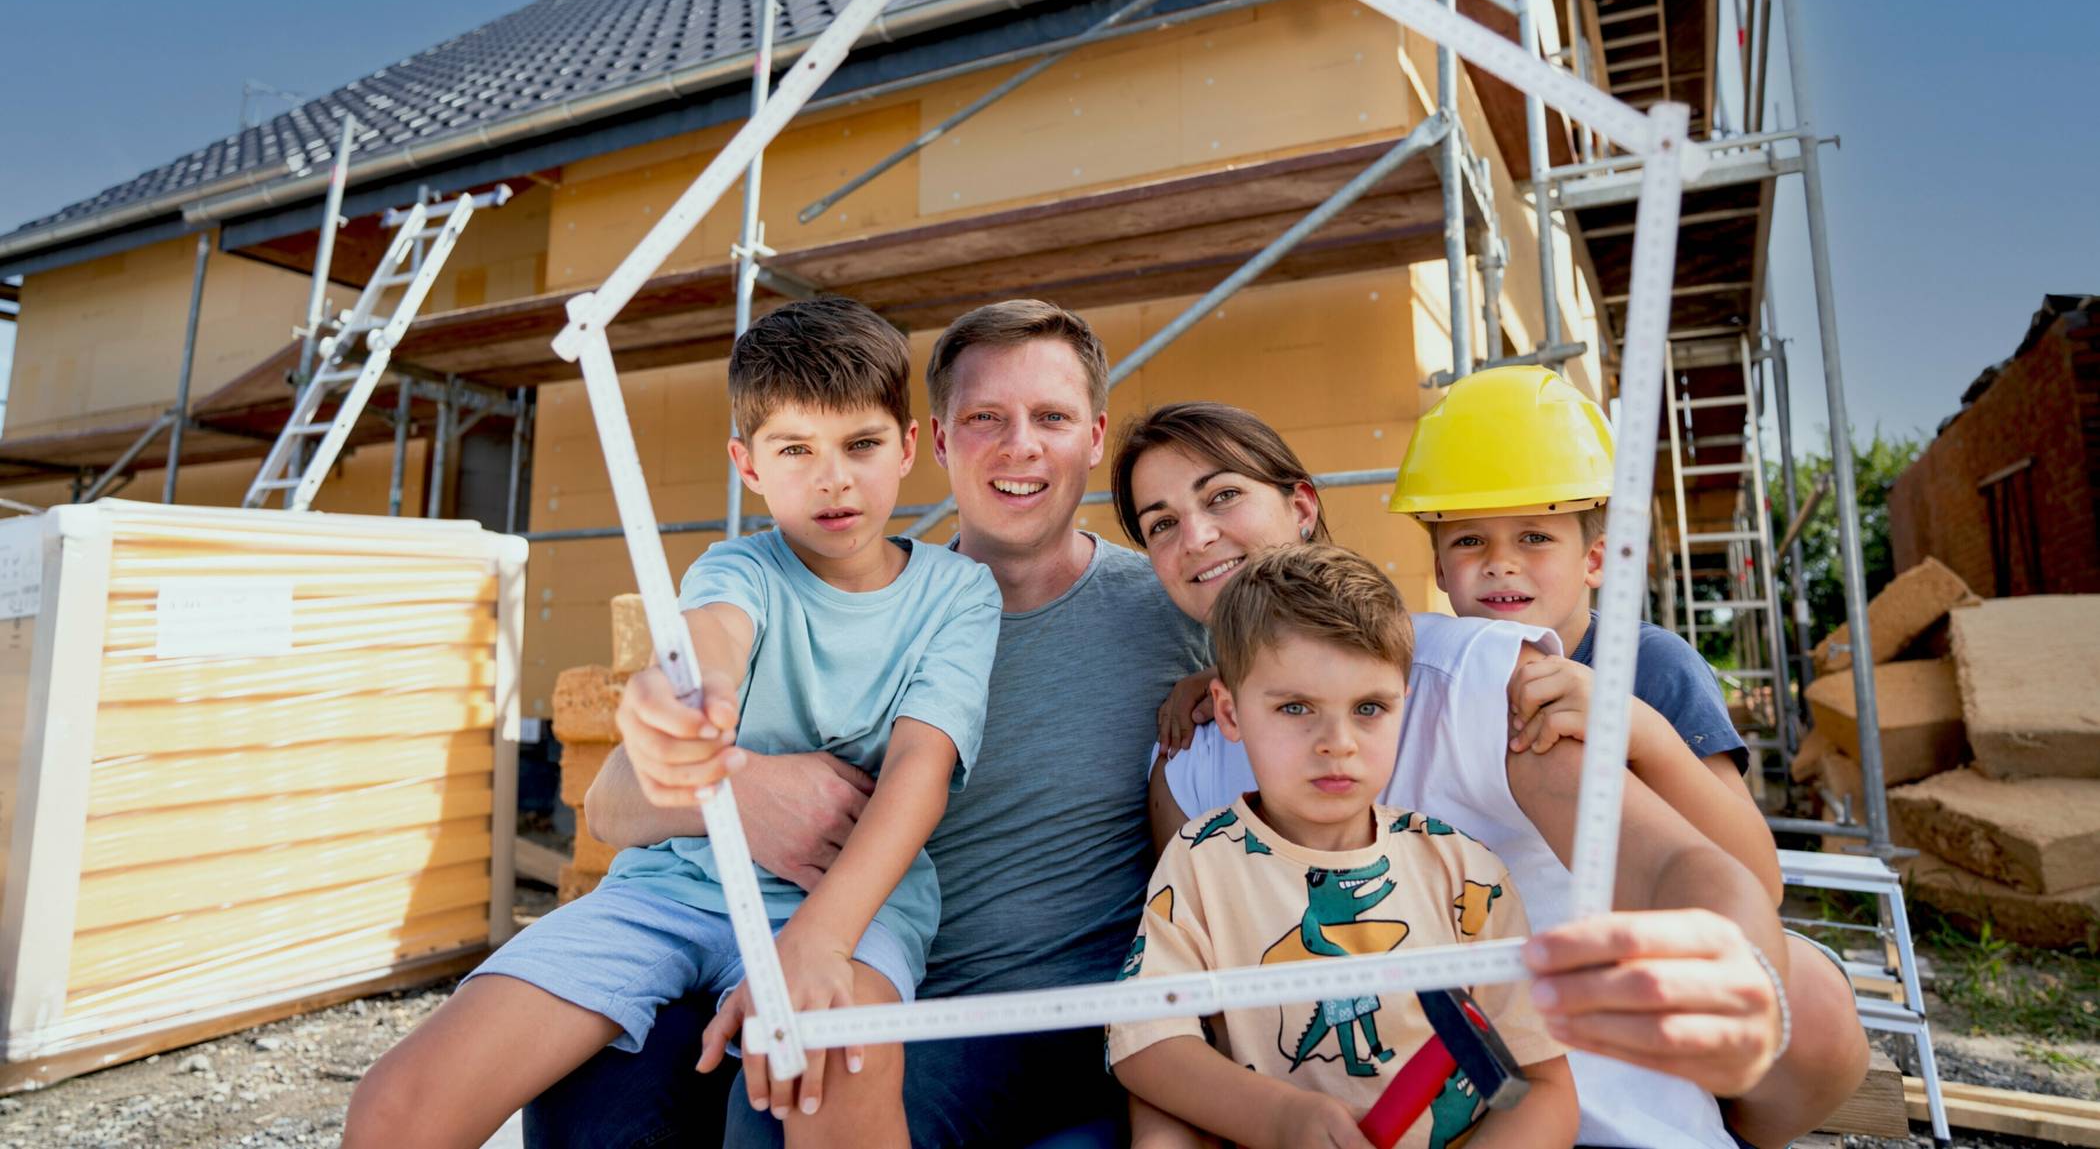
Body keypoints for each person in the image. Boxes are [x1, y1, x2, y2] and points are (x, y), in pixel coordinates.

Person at [539, 300, 1210, 1148]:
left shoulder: (1172, 609)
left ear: (1095, 434)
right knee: (602, 1084)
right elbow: (609, 806)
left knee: (795, 1088)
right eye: (984, 419)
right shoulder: (865, 596)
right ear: (933, 439)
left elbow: (1344, 666)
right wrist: (742, 788)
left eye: (1051, 417)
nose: (1020, 445)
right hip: (878, 982)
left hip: (1082, 1011)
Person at [346, 295, 1002, 1149]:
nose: (833, 478)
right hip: (667, 892)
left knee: (838, 1077)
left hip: (847, 903)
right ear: (747, 463)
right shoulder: (736, 569)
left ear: (909, 447)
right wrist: (672, 696)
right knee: (395, 1106)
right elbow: (710, 640)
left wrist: (818, 942)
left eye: (862, 445)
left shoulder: (957, 594)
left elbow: (920, 770)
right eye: (795, 449)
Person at [1115, 398, 1863, 1147]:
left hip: (1584, 1115)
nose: (1198, 535)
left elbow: (1674, 865)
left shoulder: (1485, 681)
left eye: (1222, 496)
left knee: (1808, 1007)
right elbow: (1186, 1029)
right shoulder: (1187, 761)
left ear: (1302, 505)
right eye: (1161, 523)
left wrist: (1725, 957)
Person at [1110, 545, 1577, 1149]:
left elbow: (1539, 1088)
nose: (1337, 743)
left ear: (1402, 707)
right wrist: (1281, 1119)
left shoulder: (1464, 868)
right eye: (1296, 708)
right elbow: (1145, 1045)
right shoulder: (1201, 861)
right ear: (1229, 711)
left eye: (1368, 709)